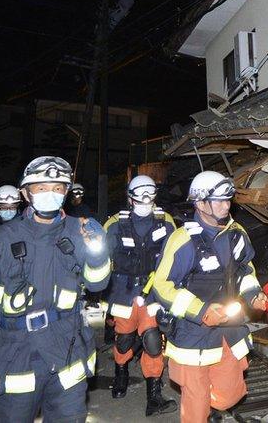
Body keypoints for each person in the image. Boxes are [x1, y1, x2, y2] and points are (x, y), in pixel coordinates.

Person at [0, 156, 111, 422]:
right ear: (26, 193)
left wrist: (98, 253)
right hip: (17, 355)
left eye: (58, 187)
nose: (51, 193)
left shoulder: (80, 231)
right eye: (41, 187)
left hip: (67, 352)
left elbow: (98, 283)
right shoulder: (0, 240)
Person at [152, 170, 267, 423]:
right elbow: (162, 286)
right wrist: (200, 310)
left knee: (230, 395)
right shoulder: (182, 241)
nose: (226, 206)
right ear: (200, 202)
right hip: (192, 334)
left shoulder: (237, 233)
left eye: (228, 200)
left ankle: (212, 409)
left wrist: (254, 295)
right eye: (219, 201)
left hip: (228, 328)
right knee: (196, 401)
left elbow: (246, 271)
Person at [101, 175, 177, 416]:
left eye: (150, 194)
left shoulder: (166, 223)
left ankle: (153, 396)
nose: (146, 200)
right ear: (130, 198)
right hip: (124, 293)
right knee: (123, 341)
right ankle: (120, 373)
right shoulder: (114, 225)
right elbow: (100, 260)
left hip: (153, 293)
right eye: (140, 195)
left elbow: (175, 258)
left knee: (153, 343)